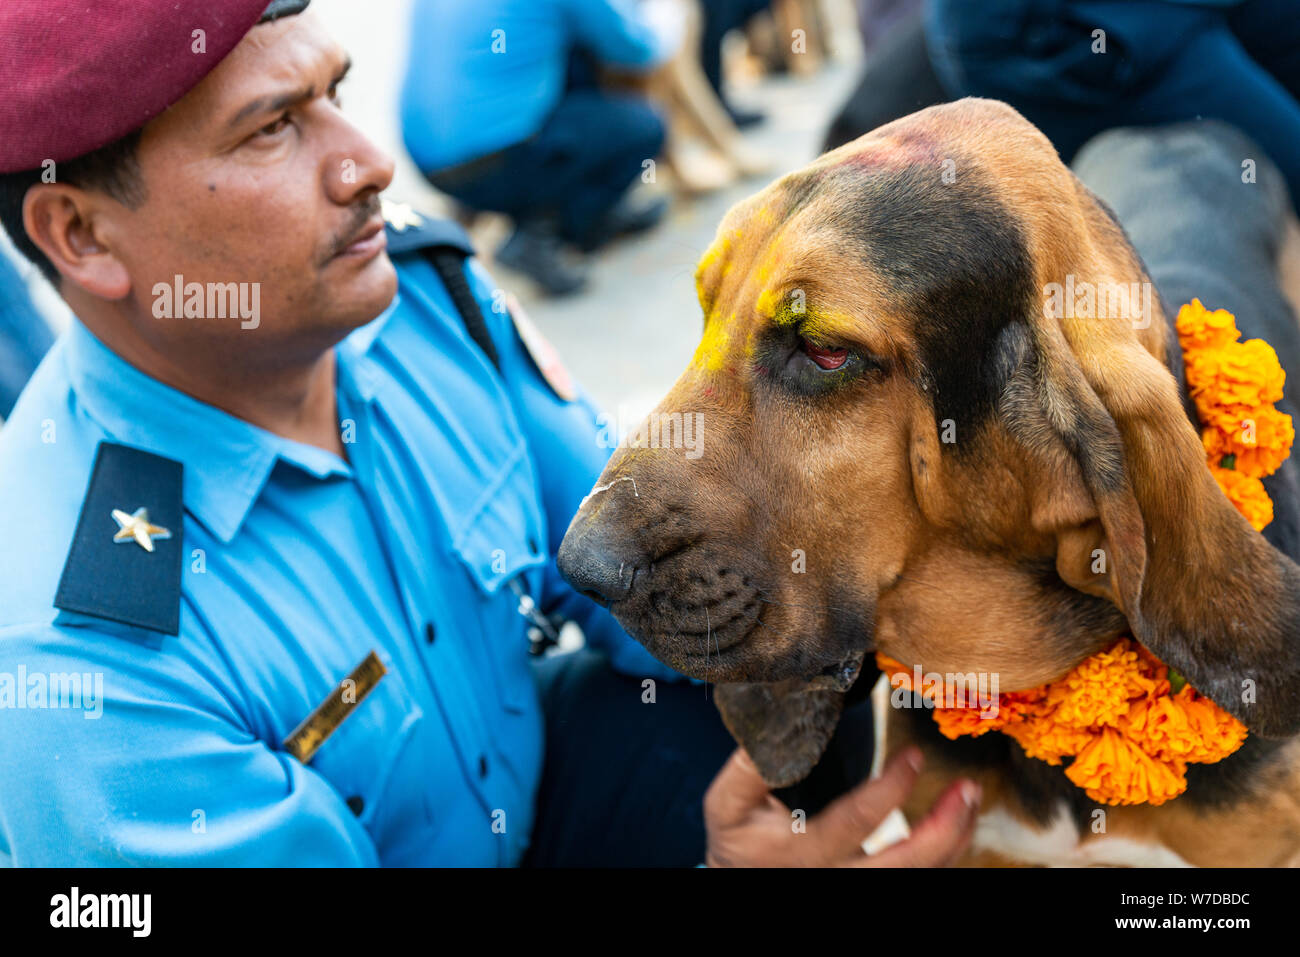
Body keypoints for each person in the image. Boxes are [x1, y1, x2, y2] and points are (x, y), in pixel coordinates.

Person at [0, 0, 979, 866]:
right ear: (80, 235)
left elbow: (649, 574)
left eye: (335, 93)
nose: (368, 163)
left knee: (794, 679)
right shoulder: (84, 658)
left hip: (529, 795)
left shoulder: (421, 305)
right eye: (271, 130)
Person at [400, 0, 678, 297]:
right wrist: (669, 19)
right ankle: (550, 231)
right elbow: (636, 50)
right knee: (646, 127)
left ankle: (562, 211)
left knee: (560, 47)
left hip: (429, 163)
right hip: (494, 162)